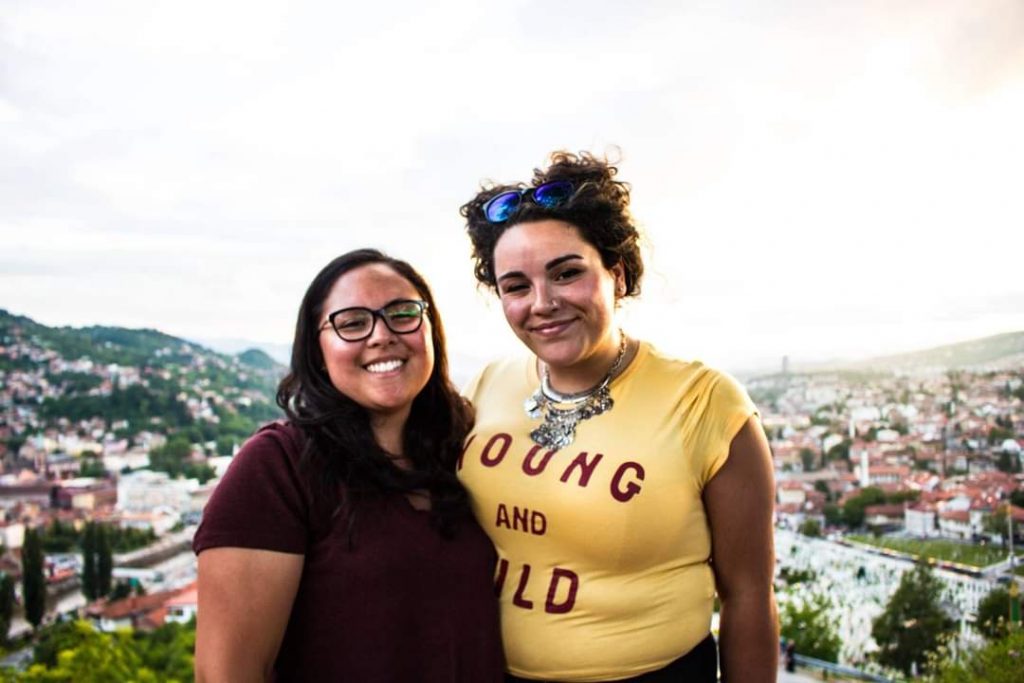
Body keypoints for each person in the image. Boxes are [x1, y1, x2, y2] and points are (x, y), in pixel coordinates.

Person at [457, 152, 778, 682]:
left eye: (567, 273)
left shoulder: (706, 403)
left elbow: (748, 596)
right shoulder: (488, 384)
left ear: (617, 274)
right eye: (516, 286)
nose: (543, 302)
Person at [193, 249, 504, 682]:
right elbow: (227, 673)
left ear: (430, 329)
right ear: (318, 351)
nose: (382, 335)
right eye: (353, 323)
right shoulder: (277, 467)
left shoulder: (470, 453)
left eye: (403, 314)